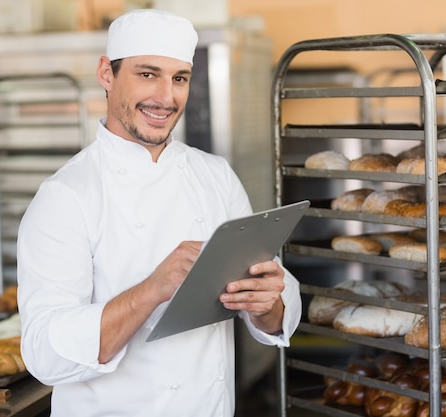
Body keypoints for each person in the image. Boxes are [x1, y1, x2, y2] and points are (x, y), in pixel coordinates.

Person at [16, 8, 302, 417]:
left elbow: (275, 307)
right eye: (147, 74)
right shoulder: (65, 197)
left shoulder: (215, 175)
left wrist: (267, 305)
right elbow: (45, 354)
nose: (166, 97)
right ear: (106, 75)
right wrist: (151, 291)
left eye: (179, 78)